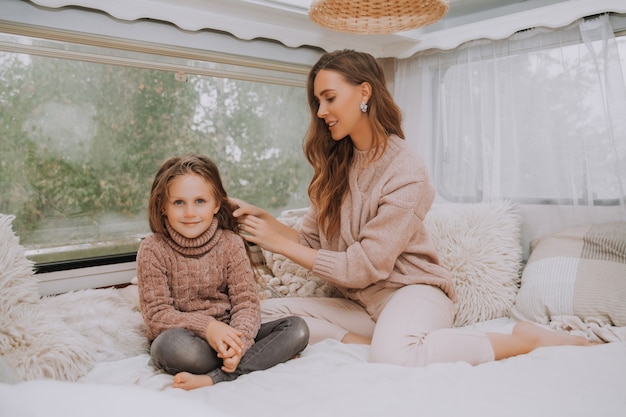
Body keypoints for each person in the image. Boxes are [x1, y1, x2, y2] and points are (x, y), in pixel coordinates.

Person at [229, 49, 594, 368]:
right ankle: (375, 341)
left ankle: (523, 339)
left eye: (329, 98)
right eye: (318, 103)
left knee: (395, 357)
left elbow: (363, 266)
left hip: (412, 294)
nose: (322, 111)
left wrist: (279, 244)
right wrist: (263, 220)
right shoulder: (336, 164)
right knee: (263, 316)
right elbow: (310, 240)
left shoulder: (406, 168)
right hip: (361, 306)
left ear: (364, 92)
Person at [136, 154, 309, 390]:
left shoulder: (231, 243)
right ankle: (257, 361)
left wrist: (239, 342)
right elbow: (157, 316)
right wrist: (208, 328)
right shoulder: (152, 249)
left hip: (232, 335)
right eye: (178, 202)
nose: (189, 212)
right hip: (190, 342)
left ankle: (216, 377)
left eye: (200, 201)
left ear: (216, 204)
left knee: (297, 329)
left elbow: (246, 303)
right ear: (163, 206)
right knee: (171, 347)